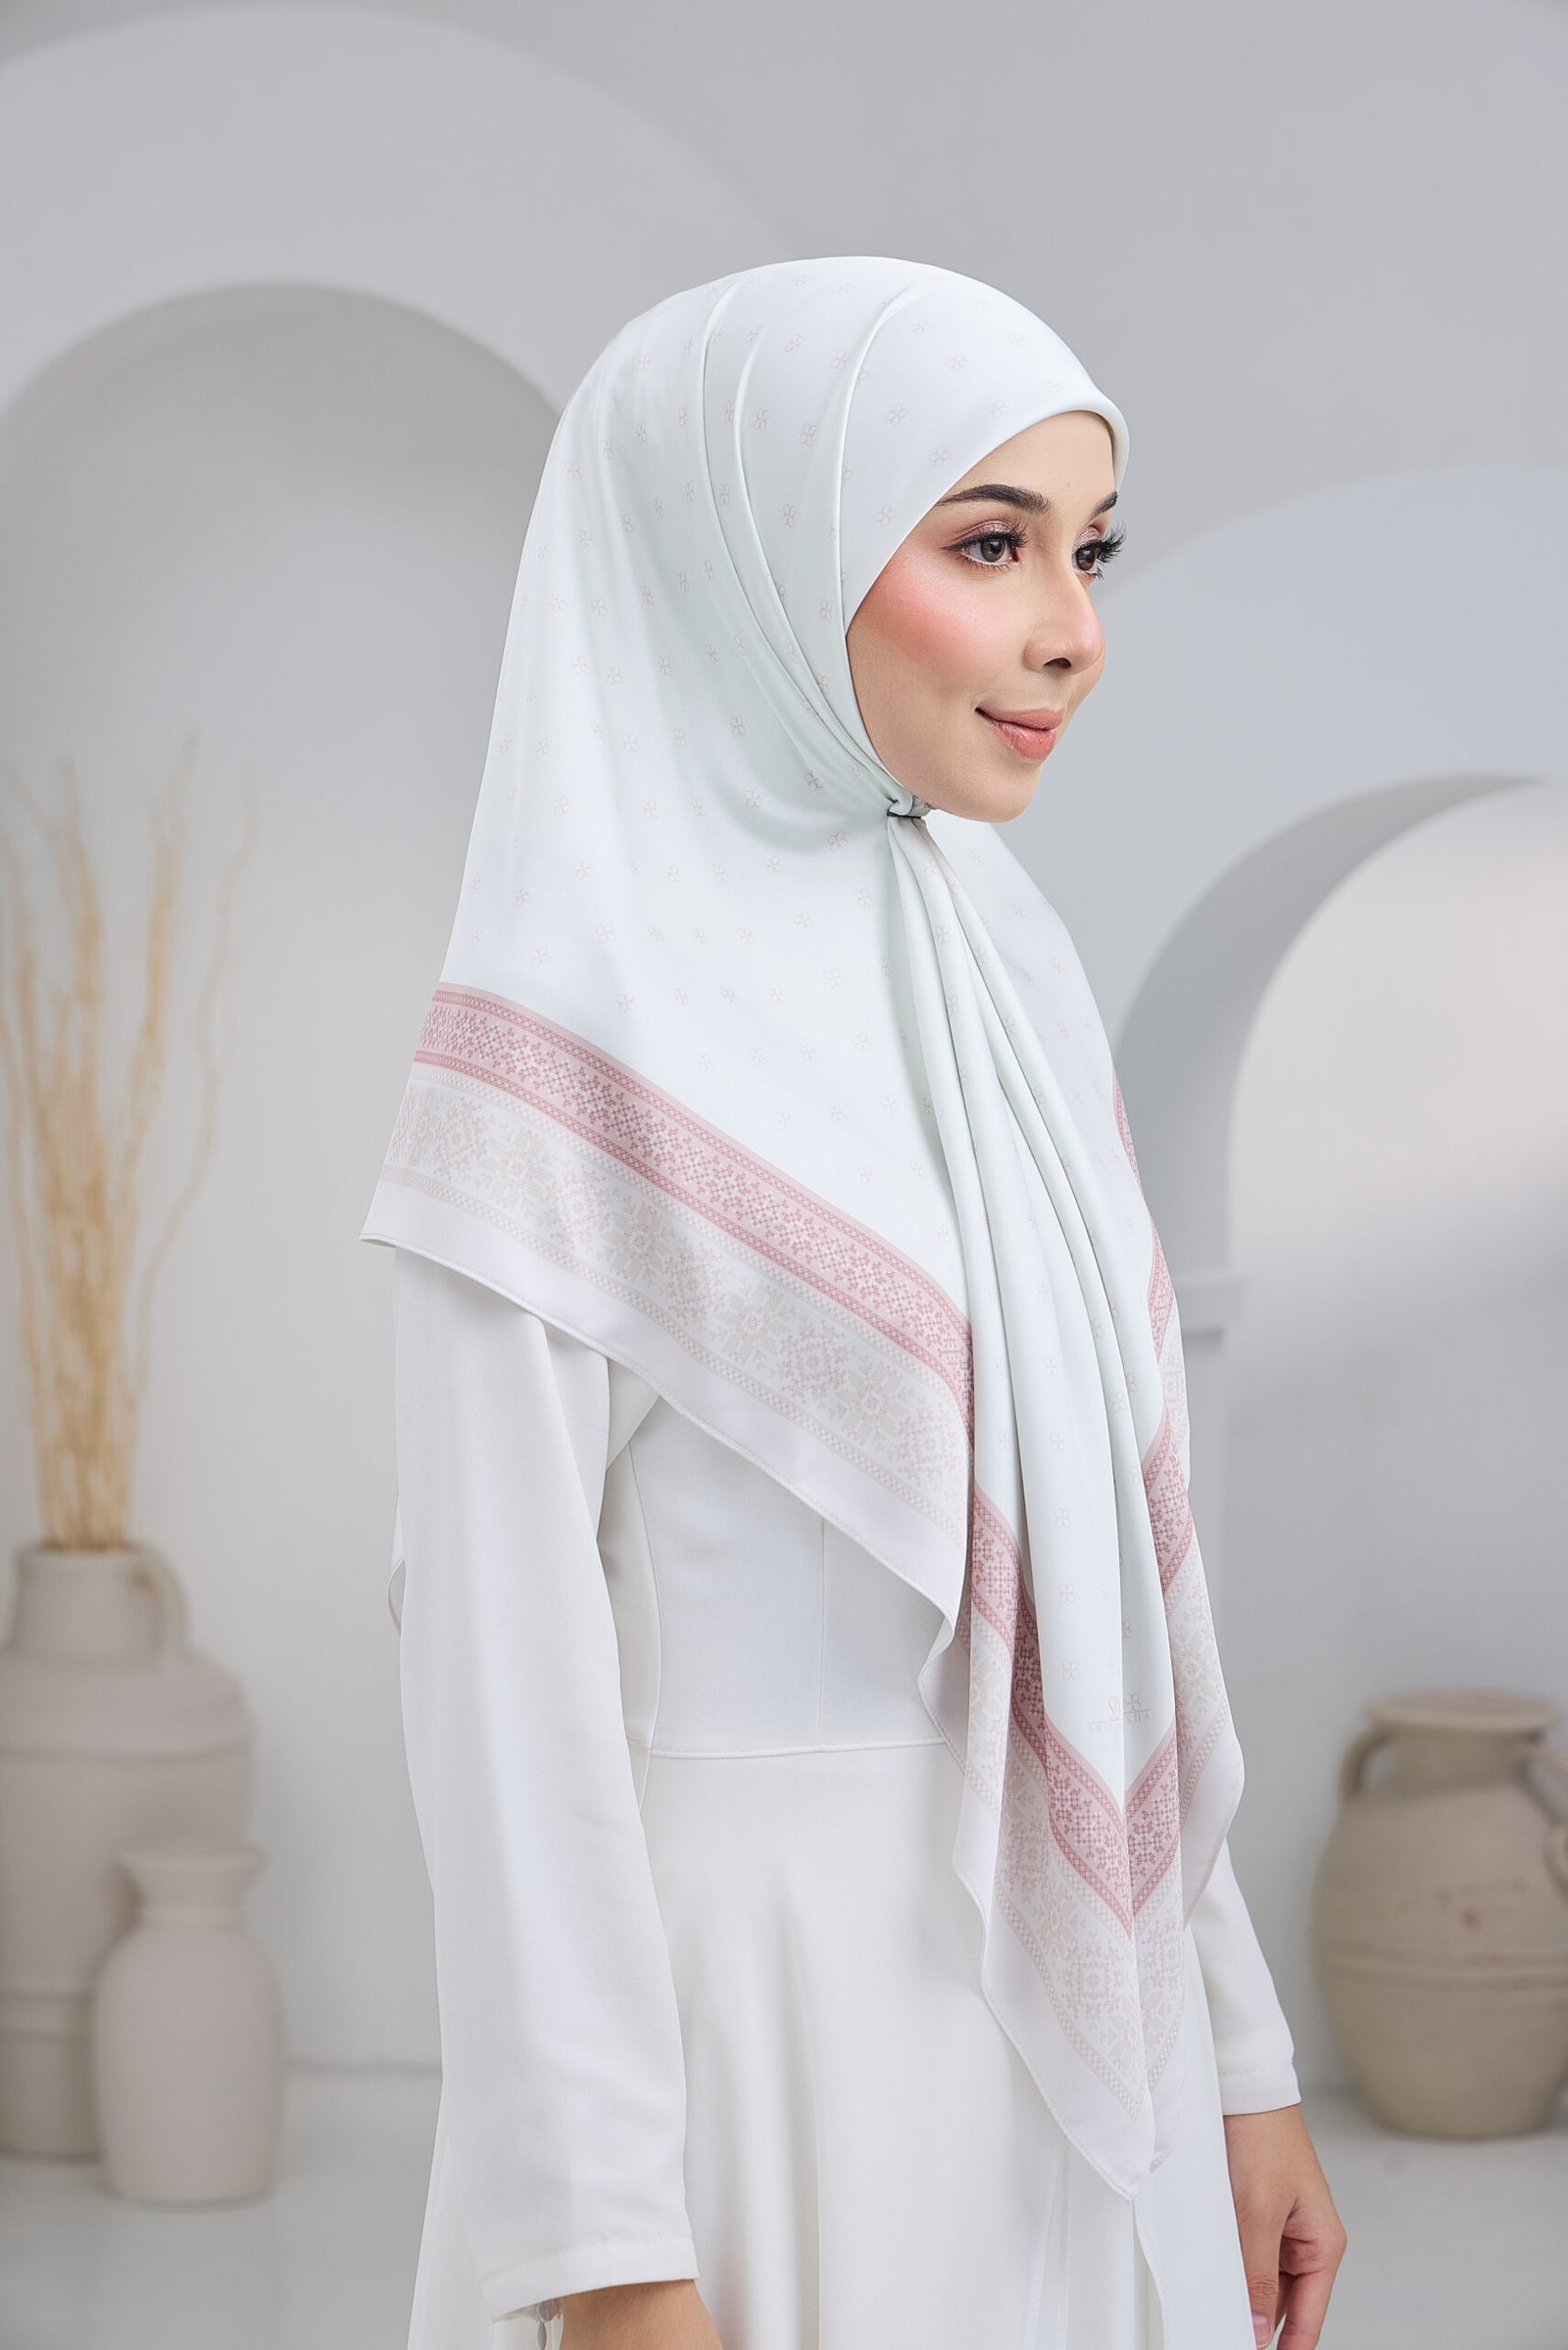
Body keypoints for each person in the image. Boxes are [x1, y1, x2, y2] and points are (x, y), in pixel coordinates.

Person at [362, 255, 1348, 2350]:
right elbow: (499, 1692)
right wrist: (610, 2254)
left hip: (1091, 2063)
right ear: (754, 551)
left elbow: (1109, 1597)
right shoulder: (551, 1054)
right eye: (986, 543)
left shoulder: (1004, 969)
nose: (1070, 628)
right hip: (750, 2069)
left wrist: (1240, 2056)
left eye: (1086, 549)